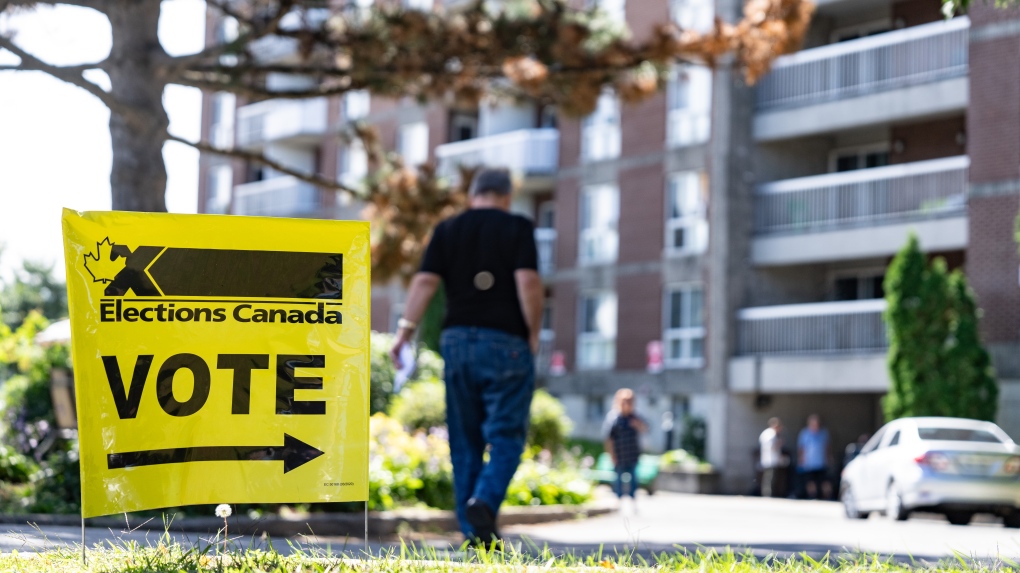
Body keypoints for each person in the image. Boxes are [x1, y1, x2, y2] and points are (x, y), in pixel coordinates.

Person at [389, 168, 544, 546]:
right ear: (506, 196)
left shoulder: (448, 229)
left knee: (464, 439)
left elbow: (424, 282)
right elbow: (528, 282)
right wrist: (533, 334)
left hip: (457, 342)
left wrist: (404, 333)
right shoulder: (518, 228)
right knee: (506, 435)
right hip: (506, 342)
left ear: (473, 194)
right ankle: (485, 501)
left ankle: (475, 534)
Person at [602, 389, 648, 510]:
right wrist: (611, 455)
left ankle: (633, 501)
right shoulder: (614, 418)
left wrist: (638, 425)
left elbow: (646, 429)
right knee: (618, 479)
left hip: (632, 454)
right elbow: (608, 438)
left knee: (633, 479)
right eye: (624, 401)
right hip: (619, 454)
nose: (627, 404)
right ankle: (618, 501)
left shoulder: (635, 417)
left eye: (629, 401)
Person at [797, 414, 832, 500]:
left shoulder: (823, 433)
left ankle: (826, 496)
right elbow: (801, 448)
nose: (815, 425)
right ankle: (812, 495)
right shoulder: (805, 433)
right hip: (809, 462)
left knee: (824, 481)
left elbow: (827, 447)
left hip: (821, 462)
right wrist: (801, 459)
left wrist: (829, 458)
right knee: (810, 481)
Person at [759, 417, 783, 498]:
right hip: (770, 459)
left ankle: (768, 493)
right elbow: (771, 447)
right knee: (770, 478)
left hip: (768, 459)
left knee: (769, 477)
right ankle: (768, 494)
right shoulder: (771, 434)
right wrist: (779, 444)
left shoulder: (766, 433)